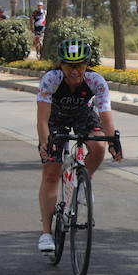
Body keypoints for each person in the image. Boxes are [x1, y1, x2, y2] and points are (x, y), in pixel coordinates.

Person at [36, 38, 123, 254]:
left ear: (86, 64)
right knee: (50, 173)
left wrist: (113, 142)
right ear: (61, 65)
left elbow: (105, 116)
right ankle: (46, 233)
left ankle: (84, 181)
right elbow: (42, 120)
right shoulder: (51, 80)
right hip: (55, 118)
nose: (75, 71)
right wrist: (46, 142)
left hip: (83, 115)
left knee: (99, 145)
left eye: (80, 65)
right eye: (69, 65)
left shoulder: (96, 81)